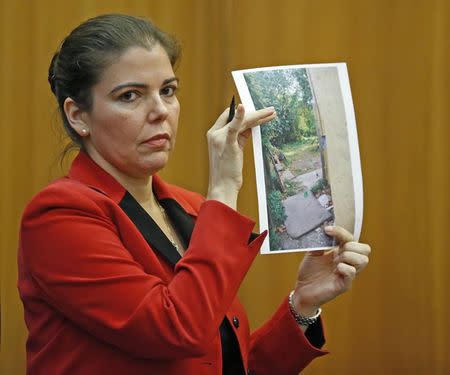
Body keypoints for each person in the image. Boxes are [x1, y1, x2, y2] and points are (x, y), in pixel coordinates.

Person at [18, 14, 371, 375]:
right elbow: (175, 330)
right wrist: (222, 189)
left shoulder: (190, 207)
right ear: (78, 116)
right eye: (130, 96)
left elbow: (222, 365)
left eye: (168, 91)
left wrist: (303, 305)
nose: (160, 112)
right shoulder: (58, 216)